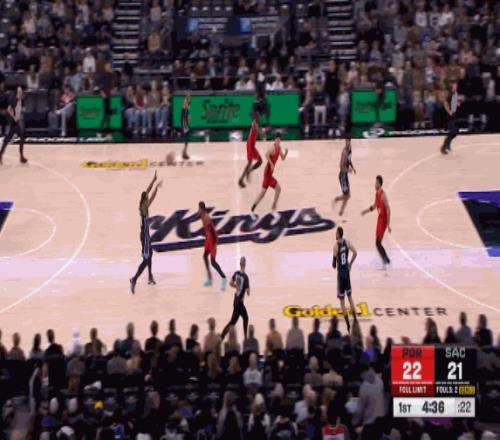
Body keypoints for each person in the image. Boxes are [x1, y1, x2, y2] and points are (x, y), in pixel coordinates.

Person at [130, 171, 162, 294]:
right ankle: (134, 279)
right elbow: (151, 197)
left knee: (149, 256)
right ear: (145, 200)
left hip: (145, 235)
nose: (148, 198)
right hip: (145, 237)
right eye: (146, 198)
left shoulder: (142, 204)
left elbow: (147, 191)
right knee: (146, 259)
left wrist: (153, 180)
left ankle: (150, 276)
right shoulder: (144, 207)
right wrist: (156, 188)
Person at [251, 134, 288, 212]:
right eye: (277, 140)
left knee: (263, 193)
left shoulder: (279, 148)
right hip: (268, 173)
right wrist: (271, 164)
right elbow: (266, 154)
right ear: (275, 140)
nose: (278, 141)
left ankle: (254, 206)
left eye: (279, 140)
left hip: (269, 173)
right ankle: (274, 205)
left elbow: (283, 158)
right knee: (278, 189)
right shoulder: (272, 148)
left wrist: (286, 153)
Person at [361, 175, 391, 269]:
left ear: (379, 184)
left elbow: (388, 209)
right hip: (380, 219)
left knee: (378, 242)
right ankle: (385, 260)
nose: (374, 184)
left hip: (383, 220)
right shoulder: (377, 194)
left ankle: (386, 260)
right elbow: (374, 206)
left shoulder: (383, 195)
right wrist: (365, 211)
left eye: (376, 183)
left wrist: (388, 224)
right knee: (377, 242)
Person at [332, 226, 358, 333]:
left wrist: (335, 258)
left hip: (340, 275)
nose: (335, 234)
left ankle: (348, 324)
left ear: (338, 234)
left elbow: (334, 265)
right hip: (347, 274)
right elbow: (355, 253)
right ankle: (355, 320)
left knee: (342, 302)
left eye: (336, 233)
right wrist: (350, 263)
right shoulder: (347, 242)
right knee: (350, 298)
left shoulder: (335, 246)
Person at [199, 201, 227, 290]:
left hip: (212, 240)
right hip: (208, 239)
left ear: (202, 209)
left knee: (213, 262)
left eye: (199, 208)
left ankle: (224, 278)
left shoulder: (206, 217)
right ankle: (210, 278)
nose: (198, 210)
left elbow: (212, 232)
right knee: (204, 256)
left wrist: (214, 244)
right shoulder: (202, 215)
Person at [221, 256, 250, 340]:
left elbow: (230, 283)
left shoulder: (236, 273)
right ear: (245, 264)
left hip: (235, 300)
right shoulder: (245, 277)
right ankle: (245, 338)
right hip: (240, 302)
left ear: (240, 264)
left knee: (234, 321)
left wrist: (236, 286)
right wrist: (248, 289)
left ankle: (222, 336)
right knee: (244, 318)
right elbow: (248, 293)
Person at [0, 86, 28, 165]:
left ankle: (21, 156)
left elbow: (24, 108)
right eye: (19, 91)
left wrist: (21, 109)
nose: (20, 93)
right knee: (7, 140)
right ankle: (1, 154)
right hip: (12, 123)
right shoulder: (13, 100)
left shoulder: (21, 100)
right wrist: (14, 116)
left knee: (21, 136)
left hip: (16, 123)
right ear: (16, 93)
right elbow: (9, 109)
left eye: (21, 91)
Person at [332, 137, 355, 216]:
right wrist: (349, 170)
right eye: (346, 141)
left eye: (348, 141)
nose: (347, 142)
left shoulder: (350, 148)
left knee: (347, 195)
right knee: (347, 195)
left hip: (345, 175)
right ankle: (337, 201)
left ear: (350, 141)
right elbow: (341, 167)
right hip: (342, 176)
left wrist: (352, 167)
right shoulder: (344, 152)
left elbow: (349, 160)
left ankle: (341, 211)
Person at [239, 113, 263, 188]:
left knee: (251, 162)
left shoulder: (255, 123)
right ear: (256, 117)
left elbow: (258, 131)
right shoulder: (255, 123)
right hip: (251, 145)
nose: (259, 117)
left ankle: (241, 179)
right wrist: (264, 130)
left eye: (259, 116)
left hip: (250, 144)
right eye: (258, 116)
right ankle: (248, 173)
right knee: (259, 161)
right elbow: (259, 132)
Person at [440, 81, 459, 154]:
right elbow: (445, 103)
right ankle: (443, 147)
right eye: (454, 86)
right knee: (452, 132)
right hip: (450, 116)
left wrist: (457, 103)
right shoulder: (450, 94)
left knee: (455, 132)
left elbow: (454, 102)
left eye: (456, 86)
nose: (456, 87)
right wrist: (449, 112)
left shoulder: (455, 94)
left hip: (454, 115)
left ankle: (448, 145)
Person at [181, 93, 191, 160]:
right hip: (184, 122)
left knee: (187, 137)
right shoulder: (186, 102)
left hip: (185, 122)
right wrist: (187, 119)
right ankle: (184, 153)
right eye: (189, 97)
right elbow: (184, 113)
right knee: (187, 137)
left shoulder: (187, 103)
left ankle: (184, 152)